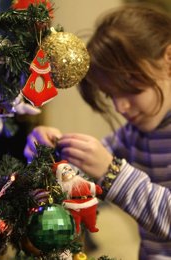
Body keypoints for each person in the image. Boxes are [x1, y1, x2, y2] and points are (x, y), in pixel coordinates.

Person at [23, 4, 171, 260]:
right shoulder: (133, 134)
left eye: (131, 88)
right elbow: (82, 175)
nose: (120, 106)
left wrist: (113, 173)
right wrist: (52, 155)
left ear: (168, 60)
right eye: (110, 94)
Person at [52, 160, 102, 234]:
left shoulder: (80, 180)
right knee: (75, 220)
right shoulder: (65, 187)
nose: (69, 173)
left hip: (89, 202)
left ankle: (92, 227)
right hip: (76, 206)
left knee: (91, 217)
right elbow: (62, 196)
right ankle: (76, 229)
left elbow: (89, 185)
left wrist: (96, 188)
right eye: (65, 173)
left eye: (69, 170)